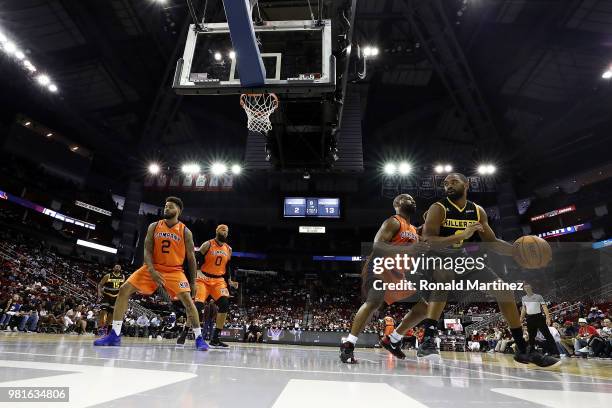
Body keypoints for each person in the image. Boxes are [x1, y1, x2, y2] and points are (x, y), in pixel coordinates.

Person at [381, 173, 559, 368]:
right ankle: (428, 339)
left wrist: (516, 252)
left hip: (460, 258)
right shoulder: (438, 208)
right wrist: (465, 234)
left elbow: (491, 242)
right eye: (446, 183)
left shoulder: (477, 211)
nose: (448, 185)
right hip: (429, 257)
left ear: (466, 185)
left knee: (503, 289)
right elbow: (429, 240)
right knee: (443, 276)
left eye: (453, 182)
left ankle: (522, 348)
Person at [94, 197, 208, 350]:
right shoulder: (154, 226)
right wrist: (152, 271)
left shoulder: (185, 231)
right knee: (124, 290)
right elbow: (146, 251)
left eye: (171, 206)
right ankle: (114, 334)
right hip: (152, 268)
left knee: (188, 301)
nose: (166, 208)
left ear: (179, 211)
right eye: (165, 206)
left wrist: (193, 281)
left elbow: (191, 258)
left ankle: (199, 338)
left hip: (174, 271)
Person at [340, 194, 428, 364]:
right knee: (374, 302)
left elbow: (425, 235)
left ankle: (393, 339)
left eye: (413, 199)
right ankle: (349, 344)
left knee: (425, 307)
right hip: (379, 267)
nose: (413, 201)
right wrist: (410, 250)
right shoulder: (394, 222)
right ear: (397, 204)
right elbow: (378, 245)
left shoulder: (413, 230)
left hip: (397, 273)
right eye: (407, 199)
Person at [193, 224, 239, 348]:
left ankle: (215, 338)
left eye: (226, 231)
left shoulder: (228, 249)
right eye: (222, 229)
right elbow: (196, 257)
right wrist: (197, 271)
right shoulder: (207, 244)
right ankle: (191, 332)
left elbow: (227, 266)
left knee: (225, 304)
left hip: (218, 280)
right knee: (198, 306)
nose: (224, 231)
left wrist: (229, 280)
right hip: (204, 278)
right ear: (217, 231)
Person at [520, 283, 558, 356]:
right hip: (529, 318)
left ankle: (554, 352)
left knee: (547, 334)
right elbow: (524, 309)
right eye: (525, 288)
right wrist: (521, 319)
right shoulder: (523, 298)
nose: (527, 288)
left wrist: (548, 317)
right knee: (531, 336)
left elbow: (544, 307)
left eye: (528, 287)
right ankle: (532, 352)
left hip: (539, 317)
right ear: (524, 289)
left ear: (531, 287)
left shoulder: (538, 296)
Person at [97, 265, 125, 335]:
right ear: (113, 268)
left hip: (116, 297)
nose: (117, 267)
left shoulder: (123, 276)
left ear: (120, 269)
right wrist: (99, 292)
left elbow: (123, 287)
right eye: (116, 267)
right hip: (107, 295)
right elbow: (100, 285)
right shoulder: (108, 276)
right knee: (103, 311)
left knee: (111, 314)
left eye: (119, 267)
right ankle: (100, 327)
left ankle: (105, 327)